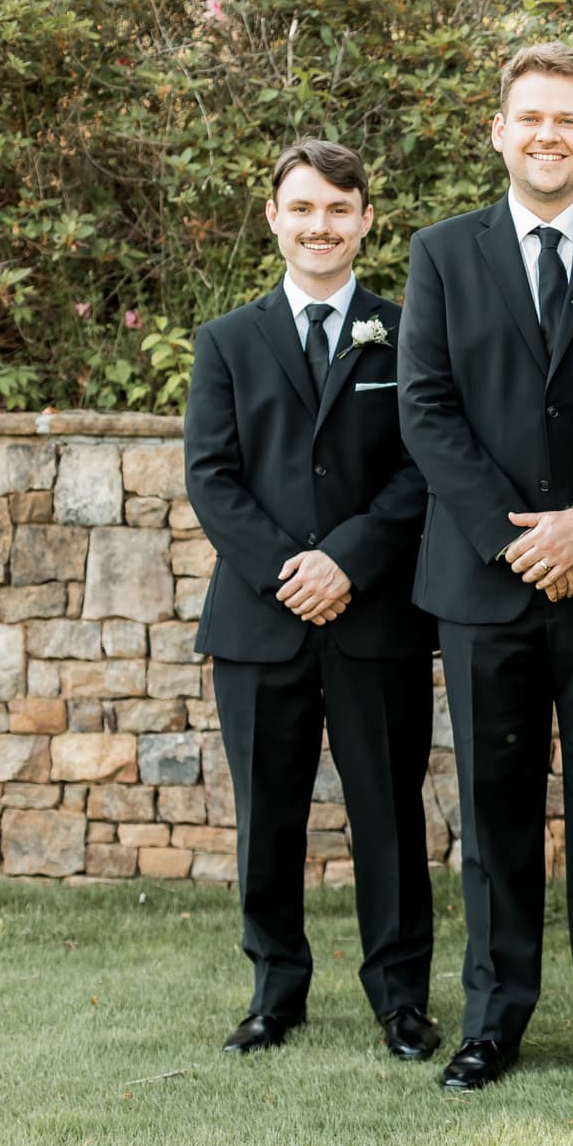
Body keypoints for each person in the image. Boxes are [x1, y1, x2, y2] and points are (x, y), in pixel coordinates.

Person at [398, 43, 573, 1093]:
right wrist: (516, 538)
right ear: (498, 132)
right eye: (530, 118)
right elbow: (426, 407)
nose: (548, 135)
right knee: (494, 804)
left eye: (568, 118)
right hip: (482, 581)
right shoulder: (443, 253)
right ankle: (492, 1018)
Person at [184, 139, 439, 1062]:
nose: (320, 226)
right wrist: (292, 569)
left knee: (389, 811)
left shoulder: (409, 331)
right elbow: (212, 478)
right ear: (275, 219)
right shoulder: (227, 341)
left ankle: (401, 997)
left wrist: (348, 560)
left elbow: (424, 466)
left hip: (376, 619)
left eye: (339, 209)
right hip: (261, 620)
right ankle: (274, 990)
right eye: (303, 209)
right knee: (269, 813)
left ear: (366, 220)